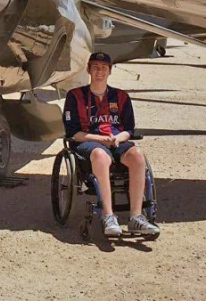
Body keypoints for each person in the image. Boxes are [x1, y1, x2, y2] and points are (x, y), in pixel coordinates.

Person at [62, 51, 160, 236]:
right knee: (100, 155)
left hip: (115, 141)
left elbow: (128, 129)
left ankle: (136, 217)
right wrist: (99, 139)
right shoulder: (75, 97)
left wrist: (117, 139)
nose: (100, 72)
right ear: (89, 70)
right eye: (96, 67)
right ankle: (108, 215)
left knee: (137, 156)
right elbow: (73, 133)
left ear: (110, 71)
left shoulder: (121, 97)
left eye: (104, 68)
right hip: (89, 142)